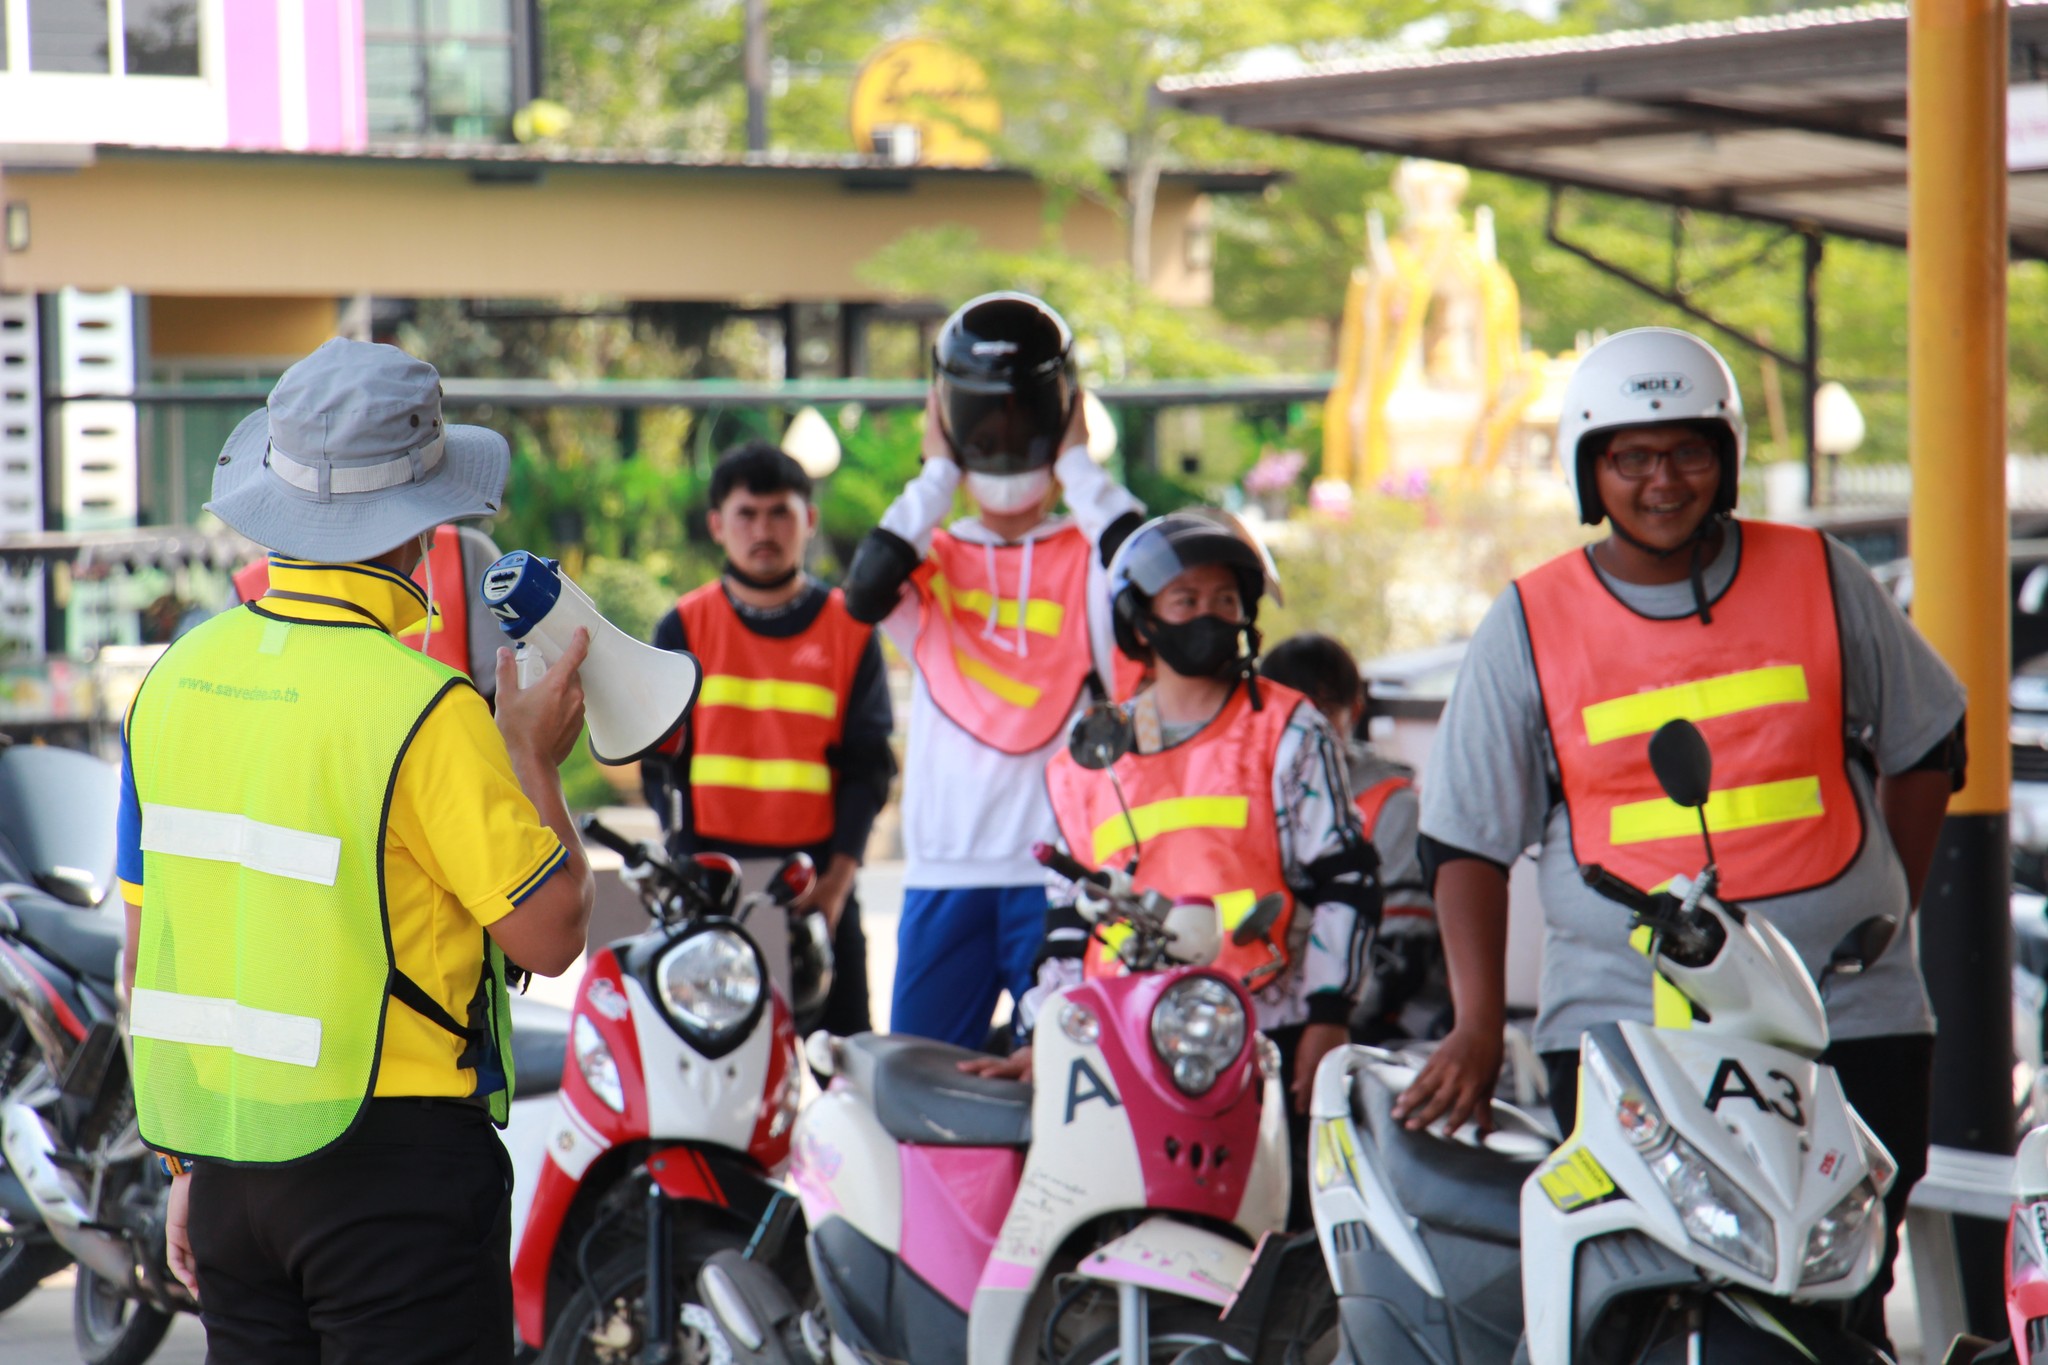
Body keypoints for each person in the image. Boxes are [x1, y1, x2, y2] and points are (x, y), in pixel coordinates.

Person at [1394, 326, 1964, 1349]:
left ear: (1726, 457)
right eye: (1631, 457)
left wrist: (1891, 905)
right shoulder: (1529, 620)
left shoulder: (1822, 574)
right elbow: (1464, 843)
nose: (1662, 481)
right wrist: (1477, 1022)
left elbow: (1929, 742)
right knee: (1641, 1302)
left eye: (1688, 451)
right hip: (1626, 1029)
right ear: (1590, 469)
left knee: (1839, 1300)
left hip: (1844, 1015)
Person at [118, 339, 597, 1364]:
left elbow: (152, 951)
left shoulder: (175, 680)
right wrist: (534, 756)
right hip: (392, 1182)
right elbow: (552, 933)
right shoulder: (423, 705)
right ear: (420, 526)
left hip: (229, 1168)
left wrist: (190, 1169)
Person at [961, 511, 1381, 1228]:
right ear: (1141, 620)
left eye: (1225, 599)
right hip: (1119, 1040)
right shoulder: (1089, 758)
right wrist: (1044, 1039)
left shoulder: (1290, 728)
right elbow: (1067, 921)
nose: (1209, 615)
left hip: (1260, 1032)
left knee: (1264, 1236)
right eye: (1186, 600)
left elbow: (1346, 879)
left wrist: (1328, 1018)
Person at [842, 292, 1143, 1048]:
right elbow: (864, 591)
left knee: (1072, 1079)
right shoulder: (929, 559)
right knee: (921, 1082)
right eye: (982, 422)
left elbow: (1150, 578)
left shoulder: (1091, 557)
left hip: (1062, 872)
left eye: (1023, 418)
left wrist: (1079, 466)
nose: (1003, 441)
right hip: (946, 871)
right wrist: (935, 476)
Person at [642, 441, 894, 1034]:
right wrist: (688, 871)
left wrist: (834, 889)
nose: (763, 530)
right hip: (710, 885)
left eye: (780, 512)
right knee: (709, 1063)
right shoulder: (683, 626)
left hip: (816, 887)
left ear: (810, 519)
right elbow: (659, 764)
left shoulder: (850, 628)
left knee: (840, 1063)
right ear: (717, 525)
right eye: (746, 514)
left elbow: (869, 770)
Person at [1259, 633, 1442, 1041]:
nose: (1304, 733)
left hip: (1378, 1028)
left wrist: (1323, 1020)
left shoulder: (1394, 807)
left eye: (1322, 714)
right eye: (1287, 716)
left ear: (1354, 712)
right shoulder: (1249, 800)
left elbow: (1401, 956)